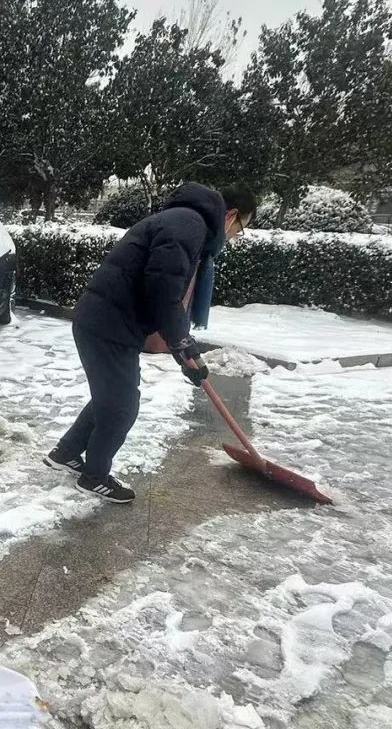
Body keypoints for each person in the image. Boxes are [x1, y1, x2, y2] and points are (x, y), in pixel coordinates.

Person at [45, 183, 257, 504]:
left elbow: (162, 293)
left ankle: (67, 453)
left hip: (107, 321)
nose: (234, 237)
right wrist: (185, 348)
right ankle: (95, 476)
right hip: (109, 325)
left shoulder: (184, 221)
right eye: (240, 229)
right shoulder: (190, 226)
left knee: (112, 397)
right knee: (121, 406)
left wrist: (183, 351)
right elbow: (163, 292)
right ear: (230, 216)